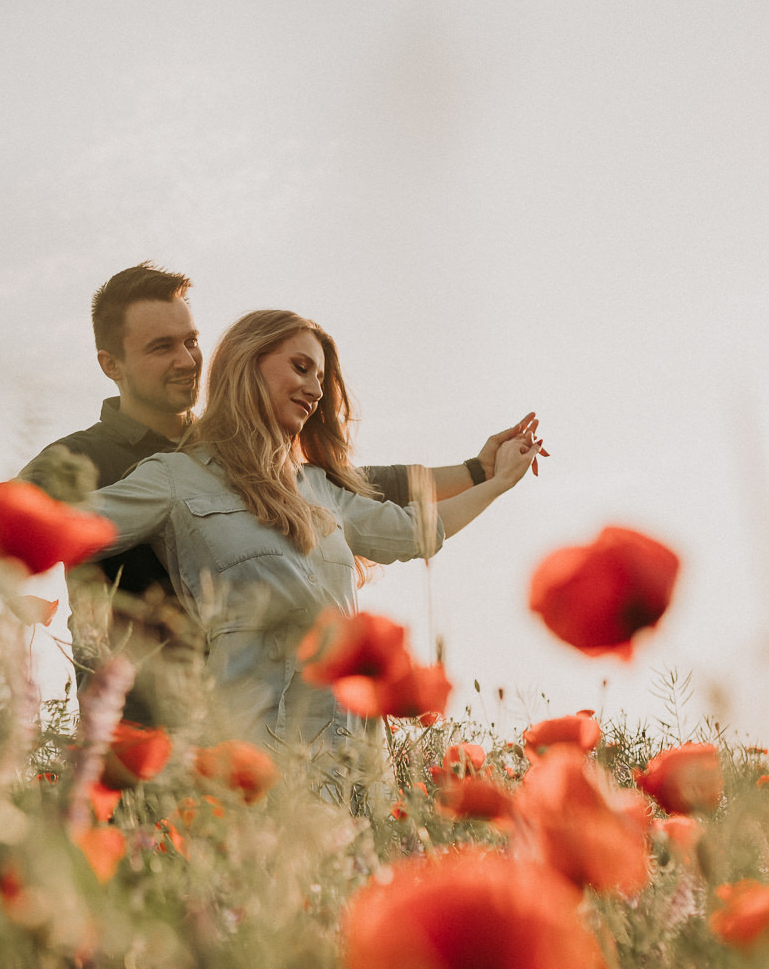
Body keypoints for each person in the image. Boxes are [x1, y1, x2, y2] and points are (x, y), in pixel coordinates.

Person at [0, 265, 537, 731]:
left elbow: (366, 491)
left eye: (192, 340)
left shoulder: (239, 451)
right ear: (111, 363)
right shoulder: (79, 459)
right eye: (162, 346)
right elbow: (12, 526)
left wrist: (480, 468)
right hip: (136, 724)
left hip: (260, 721)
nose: (188, 358)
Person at [74, 309, 540, 751]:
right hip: (254, 756)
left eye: (320, 377)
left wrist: (496, 480)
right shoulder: (174, 479)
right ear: (246, 364)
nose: (315, 389)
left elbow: (420, 531)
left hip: (352, 754)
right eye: (301, 368)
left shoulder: (320, 488)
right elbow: (67, 527)